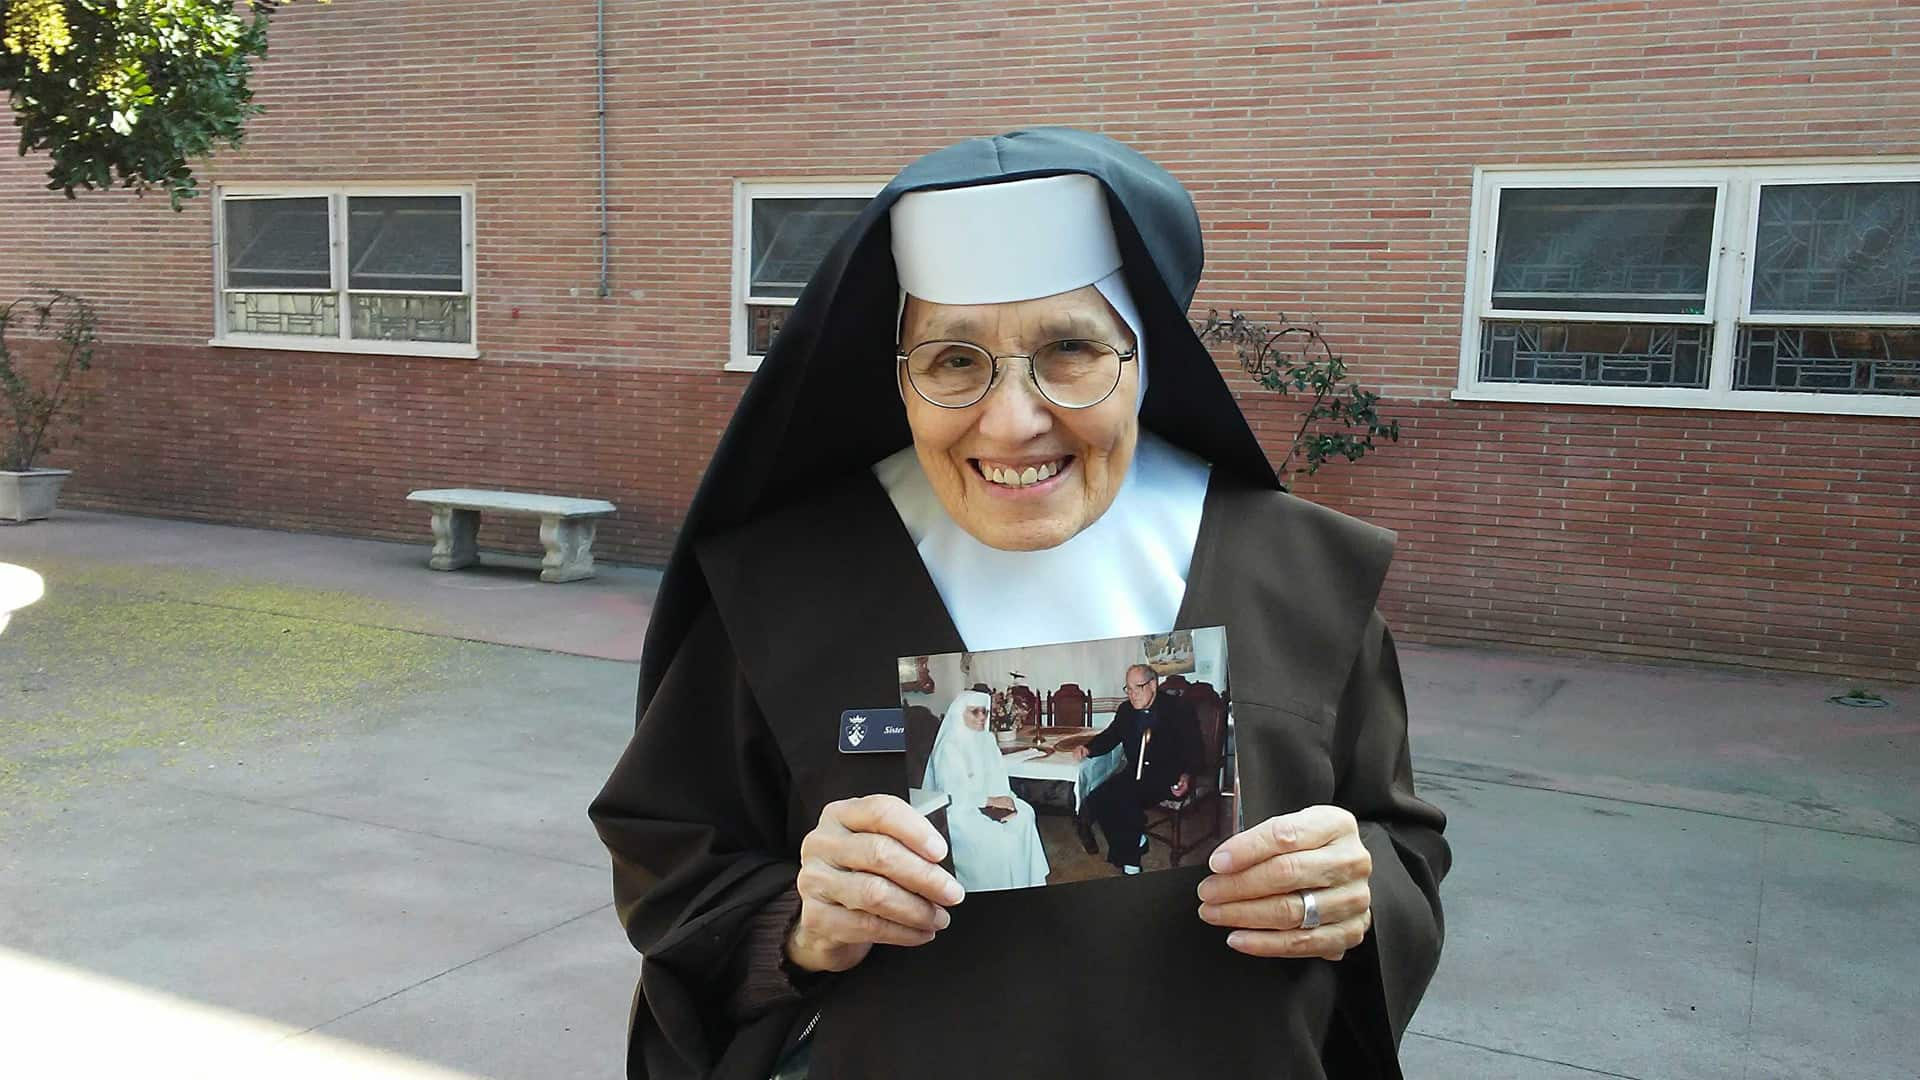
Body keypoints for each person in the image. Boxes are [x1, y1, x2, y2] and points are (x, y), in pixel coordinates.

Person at [589, 128, 1449, 1080]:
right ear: (900, 381)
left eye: (1071, 349)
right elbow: (673, 858)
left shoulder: (1294, 574)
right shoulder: (786, 584)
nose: (1013, 422)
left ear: (1143, 357)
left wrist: (1351, 892)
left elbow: (1399, 843)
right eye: (954, 361)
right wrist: (794, 923)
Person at [1072, 664, 1204, 873]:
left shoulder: (1178, 709)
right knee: (1100, 797)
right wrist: (1088, 748)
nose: (1132, 695)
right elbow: (1111, 735)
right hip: (1134, 773)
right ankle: (1131, 844)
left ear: (1153, 684)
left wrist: (1186, 775)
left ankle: (1131, 861)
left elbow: (1195, 748)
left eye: (1138, 687)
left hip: (1166, 777)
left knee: (1125, 800)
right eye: (1128, 689)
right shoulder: (1126, 710)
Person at [923, 690, 1050, 891]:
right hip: (959, 810)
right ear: (960, 713)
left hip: (991, 801)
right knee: (999, 839)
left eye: (984, 711)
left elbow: (998, 778)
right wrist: (991, 802)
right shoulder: (949, 747)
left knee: (1025, 814)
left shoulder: (987, 739)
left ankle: (1025, 881)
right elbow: (953, 794)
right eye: (975, 712)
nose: (982, 717)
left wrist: (1007, 802)